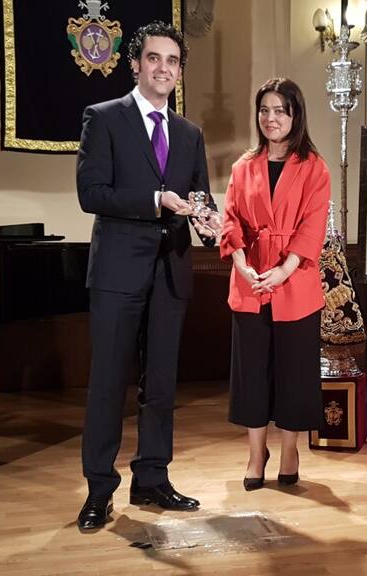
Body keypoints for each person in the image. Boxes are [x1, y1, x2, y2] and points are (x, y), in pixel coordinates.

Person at [75, 20, 220, 531]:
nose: (163, 68)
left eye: (172, 61)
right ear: (135, 64)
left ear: (180, 72)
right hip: (117, 273)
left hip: (171, 272)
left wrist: (209, 222)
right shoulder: (103, 118)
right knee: (107, 383)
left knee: (160, 384)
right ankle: (99, 490)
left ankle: (152, 478)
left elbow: (199, 196)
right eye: (154, 58)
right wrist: (156, 200)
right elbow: (91, 193)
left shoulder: (189, 133)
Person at [219, 78, 330, 490]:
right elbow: (230, 220)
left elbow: (313, 225)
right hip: (249, 282)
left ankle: (288, 451)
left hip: (295, 282)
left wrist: (284, 270)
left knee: (293, 373)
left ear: (296, 115)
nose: (271, 118)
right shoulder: (243, 166)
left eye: (280, 110)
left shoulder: (314, 167)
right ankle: (255, 454)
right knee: (252, 374)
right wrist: (242, 263)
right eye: (265, 110)